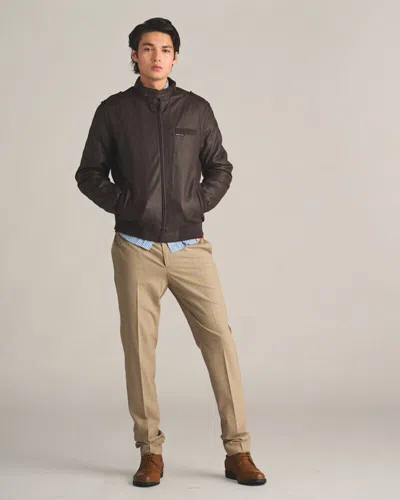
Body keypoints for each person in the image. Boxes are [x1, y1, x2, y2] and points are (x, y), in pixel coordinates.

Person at [75, 17, 266, 488]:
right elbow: (89, 173)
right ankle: (150, 451)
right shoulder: (113, 111)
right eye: (147, 48)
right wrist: (127, 205)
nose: (156, 56)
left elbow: (220, 168)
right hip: (135, 247)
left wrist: (194, 205)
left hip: (189, 248)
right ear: (134, 56)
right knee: (139, 350)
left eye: (164, 49)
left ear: (175, 58)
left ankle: (238, 450)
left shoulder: (196, 110)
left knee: (220, 342)